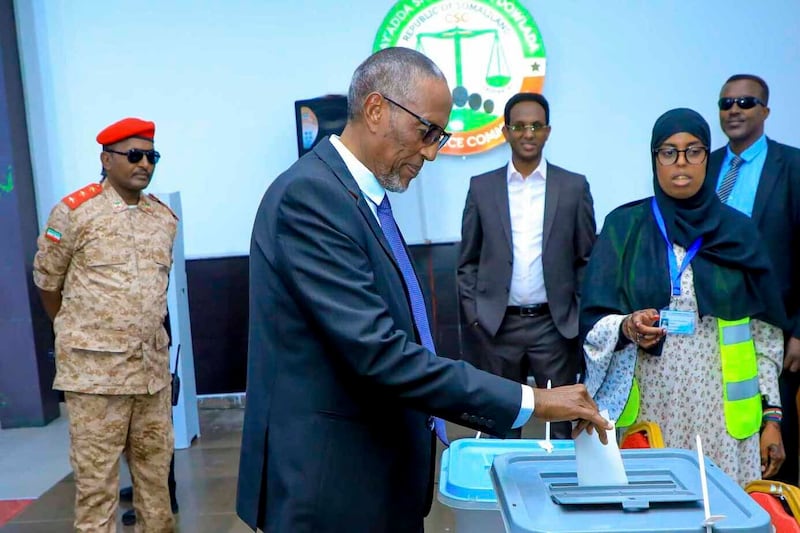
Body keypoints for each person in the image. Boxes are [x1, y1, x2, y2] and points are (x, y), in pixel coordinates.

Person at [235, 47, 609, 533]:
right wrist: (535, 401)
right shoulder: (312, 197)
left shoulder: (358, 197)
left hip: (374, 475)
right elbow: (379, 353)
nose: (432, 152)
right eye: (427, 132)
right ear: (375, 110)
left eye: (442, 136)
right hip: (330, 485)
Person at [581, 108, 787, 487]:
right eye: (669, 151)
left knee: (723, 511)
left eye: (693, 151)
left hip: (723, 419)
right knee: (654, 509)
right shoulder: (624, 227)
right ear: (654, 158)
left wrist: (771, 418)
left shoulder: (738, 232)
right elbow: (592, 320)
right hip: (650, 410)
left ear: (708, 157)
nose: (682, 162)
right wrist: (626, 326)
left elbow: (765, 335)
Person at [33, 117, 177, 532]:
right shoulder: (76, 213)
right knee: (97, 489)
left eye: (152, 156)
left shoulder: (163, 220)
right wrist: (76, 333)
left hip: (150, 376)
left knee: (156, 486)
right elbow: (47, 282)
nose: (144, 164)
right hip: (96, 378)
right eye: (134, 155)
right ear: (106, 159)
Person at [457, 92, 596, 439]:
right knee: (501, 427)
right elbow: (467, 261)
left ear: (548, 131)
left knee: (562, 426)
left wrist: (576, 316)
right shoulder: (482, 188)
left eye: (536, 126)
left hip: (554, 326)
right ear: (505, 132)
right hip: (497, 326)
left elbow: (586, 259)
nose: (528, 133)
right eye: (519, 126)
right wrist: (476, 315)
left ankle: (562, 492)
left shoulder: (573, 187)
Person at [707, 74, 800, 485]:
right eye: (726, 103)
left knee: (776, 443)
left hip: (774, 327)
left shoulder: (793, 166)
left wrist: (799, 328)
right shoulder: (703, 164)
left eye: (745, 102)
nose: (734, 110)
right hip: (710, 328)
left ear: (765, 110)